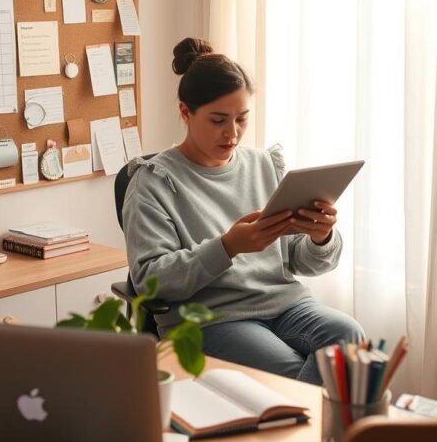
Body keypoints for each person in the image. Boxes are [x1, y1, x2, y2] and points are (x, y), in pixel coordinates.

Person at [122, 37, 364, 385]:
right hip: (213, 318)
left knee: (349, 341)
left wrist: (320, 237)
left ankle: (338, 439)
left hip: (285, 303)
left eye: (242, 119)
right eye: (218, 120)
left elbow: (299, 260)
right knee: (295, 379)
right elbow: (150, 281)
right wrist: (228, 247)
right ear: (185, 112)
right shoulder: (153, 182)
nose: (232, 133)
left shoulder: (264, 165)